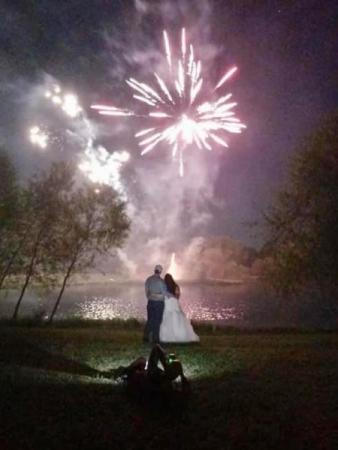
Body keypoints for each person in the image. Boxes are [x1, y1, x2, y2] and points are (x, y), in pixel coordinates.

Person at [102, 344, 190, 400]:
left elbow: (140, 364)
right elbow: (141, 366)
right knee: (157, 349)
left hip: (155, 378)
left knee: (165, 354)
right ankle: (177, 374)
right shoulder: (133, 375)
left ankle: (177, 374)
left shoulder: (133, 374)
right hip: (153, 378)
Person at [160, 273, 200, 343]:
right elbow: (178, 296)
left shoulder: (163, 286)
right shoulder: (176, 286)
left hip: (167, 303)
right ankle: (181, 336)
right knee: (178, 318)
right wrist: (174, 298)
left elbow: (162, 296)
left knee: (167, 318)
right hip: (174, 303)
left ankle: (167, 337)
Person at [143, 264, 167, 344]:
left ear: (154, 270)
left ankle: (145, 337)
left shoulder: (148, 279)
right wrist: (157, 295)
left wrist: (150, 296)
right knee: (157, 321)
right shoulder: (161, 282)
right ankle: (155, 339)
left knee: (150, 320)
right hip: (159, 303)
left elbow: (146, 292)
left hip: (150, 302)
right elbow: (164, 295)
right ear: (160, 272)